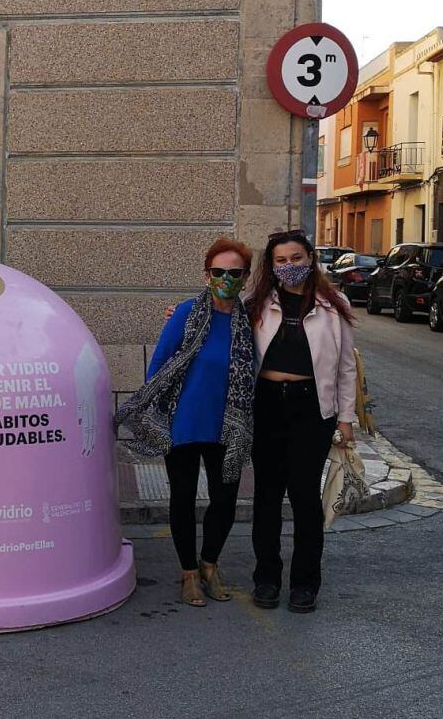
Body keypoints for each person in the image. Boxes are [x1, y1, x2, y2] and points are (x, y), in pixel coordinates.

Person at [115, 238, 256, 607]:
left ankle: (210, 564)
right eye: (218, 271)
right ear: (206, 273)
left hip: (230, 426)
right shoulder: (185, 312)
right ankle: (188, 574)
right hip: (184, 424)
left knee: (225, 500)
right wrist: (158, 413)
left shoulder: (251, 322)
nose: (226, 278)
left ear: (246, 277)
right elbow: (160, 364)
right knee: (182, 498)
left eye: (235, 273)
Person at [248, 230, 356, 614]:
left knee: (305, 497)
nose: (289, 266)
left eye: (296, 258)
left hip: (312, 409)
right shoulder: (257, 302)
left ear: (310, 258)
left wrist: (346, 418)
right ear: (271, 266)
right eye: (281, 260)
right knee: (267, 496)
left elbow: (346, 367)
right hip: (266, 405)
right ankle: (266, 577)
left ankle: (305, 583)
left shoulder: (334, 303)